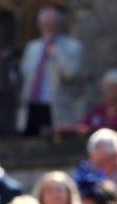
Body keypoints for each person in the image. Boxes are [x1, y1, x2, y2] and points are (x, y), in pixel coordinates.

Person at [17, 7, 85, 137]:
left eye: (51, 24)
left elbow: (71, 74)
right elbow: (24, 76)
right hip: (33, 106)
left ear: (59, 25)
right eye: (44, 24)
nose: (47, 28)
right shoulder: (33, 47)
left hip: (57, 108)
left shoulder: (73, 46)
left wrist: (55, 52)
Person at [78, 70, 117, 135]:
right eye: (108, 88)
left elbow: (115, 127)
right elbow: (84, 124)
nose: (109, 92)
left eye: (114, 89)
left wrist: (90, 129)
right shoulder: (99, 108)